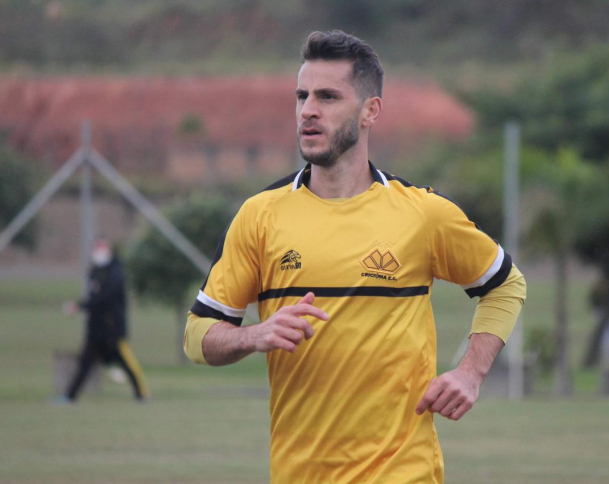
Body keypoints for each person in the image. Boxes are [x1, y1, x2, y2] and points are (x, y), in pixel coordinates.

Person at [185, 30, 526, 483]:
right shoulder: (259, 217)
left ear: (371, 110)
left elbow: (505, 285)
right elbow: (197, 335)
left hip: (403, 472)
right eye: (302, 96)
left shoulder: (421, 213)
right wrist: (253, 335)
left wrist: (470, 373)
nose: (308, 110)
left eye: (328, 96)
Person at [61, 237, 149, 402]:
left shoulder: (116, 272)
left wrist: (80, 306)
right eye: (97, 247)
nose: (99, 251)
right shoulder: (94, 271)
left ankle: (142, 395)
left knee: (127, 363)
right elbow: (94, 298)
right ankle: (69, 397)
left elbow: (104, 298)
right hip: (95, 330)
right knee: (84, 364)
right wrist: (82, 306)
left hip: (113, 330)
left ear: (109, 249)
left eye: (102, 247)